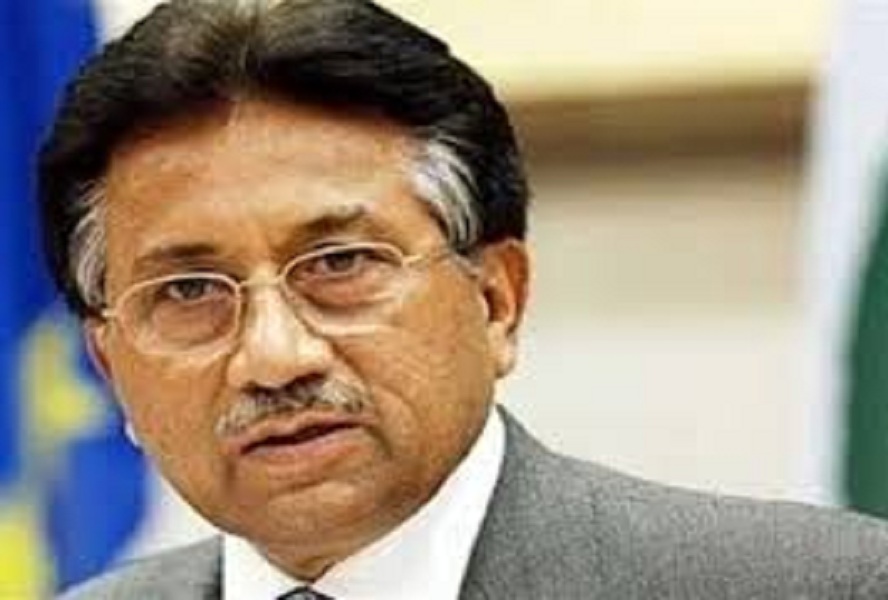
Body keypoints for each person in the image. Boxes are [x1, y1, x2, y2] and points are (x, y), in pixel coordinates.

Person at [39, 0, 888, 598]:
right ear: (110, 367)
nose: (274, 357)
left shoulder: (819, 586)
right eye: (188, 291)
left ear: (496, 300)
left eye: (340, 263)